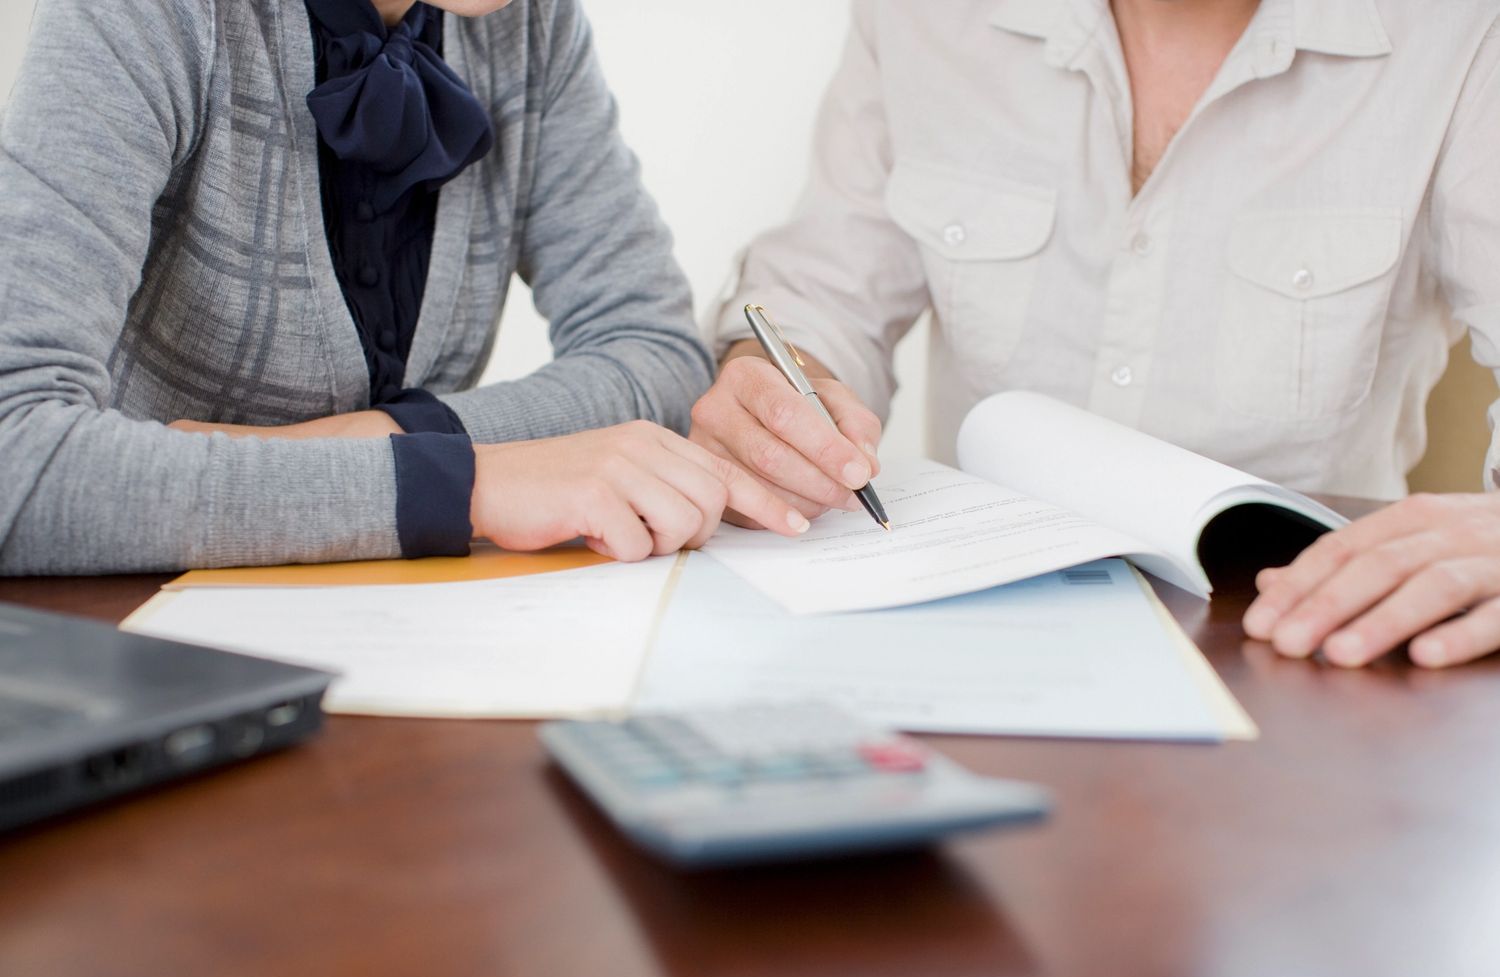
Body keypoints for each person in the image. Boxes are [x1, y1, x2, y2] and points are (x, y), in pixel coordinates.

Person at [688, 0, 1500, 668]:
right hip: (978, 630)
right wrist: (772, 378)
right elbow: (823, 290)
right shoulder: (920, 18)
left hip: (1299, 640)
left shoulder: (1463, 34)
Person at [0, 0, 808, 577]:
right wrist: (464, 480)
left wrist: (387, 436)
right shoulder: (141, 16)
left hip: (399, 618)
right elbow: (14, 456)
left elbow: (658, 355)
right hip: (136, 636)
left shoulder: (533, 23)